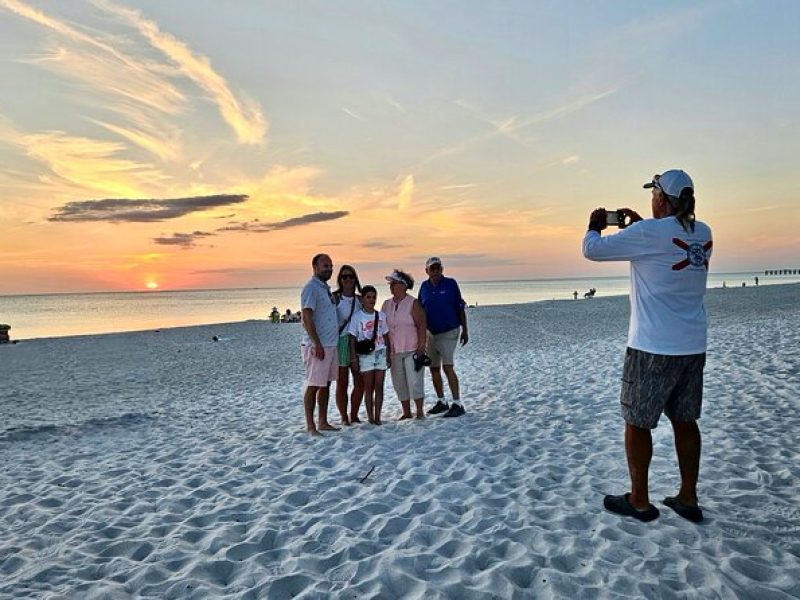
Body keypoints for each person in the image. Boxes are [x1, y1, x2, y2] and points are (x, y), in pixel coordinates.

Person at [583, 169, 712, 523]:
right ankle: (688, 496)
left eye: (653, 194)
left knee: (637, 422)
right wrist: (641, 227)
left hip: (652, 346)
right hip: (692, 345)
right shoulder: (703, 233)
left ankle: (639, 499)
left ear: (661, 199)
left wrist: (595, 224)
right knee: (686, 421)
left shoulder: (649, 233)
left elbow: (591, 250)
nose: (650, 200)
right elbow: (666, 248)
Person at [419, 257, 468, 418]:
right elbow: (420, 310)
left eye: (437, 268)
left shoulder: (451, 284)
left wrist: (465, 330)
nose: (435, 271)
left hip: (449, 332)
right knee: (433, 368)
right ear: (426, 271)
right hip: (431, 334)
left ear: (442, 269)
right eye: (432, 268)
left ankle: (457, 403)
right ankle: (441, 401)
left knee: (448, 367)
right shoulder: (424, 287)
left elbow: (460, 308)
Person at [300, 253, 340, 436]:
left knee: (326, 385)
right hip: (318, 345)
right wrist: (316, 343)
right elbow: (306, 316)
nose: (329, 269)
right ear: (315, 267)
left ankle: (323, 421)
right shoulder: (311, 288)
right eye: (325, 266)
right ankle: (311, 426)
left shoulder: (324, 288)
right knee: (314, 384)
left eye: (331, 266)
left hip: (331, 344)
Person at [382, 269, 428, 420]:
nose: (391, 286)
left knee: (415, 381)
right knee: (399, 383)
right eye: (391, 284)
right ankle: (406, 412)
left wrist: (422, 347)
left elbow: (422, 325)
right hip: (394, 350)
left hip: (412, 349)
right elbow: (382, 328)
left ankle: (419, 410)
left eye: (394, 283)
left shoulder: (412, 303)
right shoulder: (386, 304)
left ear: (403, 285)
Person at [348, 286, 391, 425]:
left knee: (379, 386)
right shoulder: (357, 317)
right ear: (363, 299)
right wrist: (353, 358)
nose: (371, 300)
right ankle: (370, 417)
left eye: (373, 297)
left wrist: (389, 353)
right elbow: (352, 338)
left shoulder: (381, 316)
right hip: (365, 355)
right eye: (368, 297)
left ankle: (378, 416)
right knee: (368, 387)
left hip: (380, 352)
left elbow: (385, 335)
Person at [332, 265, 364, 425]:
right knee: (342, 381)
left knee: (360, 381)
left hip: (358, 342)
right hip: (342, 341)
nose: (348, 280)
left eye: (351, 276)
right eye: (344, 277)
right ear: (340, 280)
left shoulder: (360, 299)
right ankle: (344, 416)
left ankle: (354, 414)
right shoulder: (335, 298)